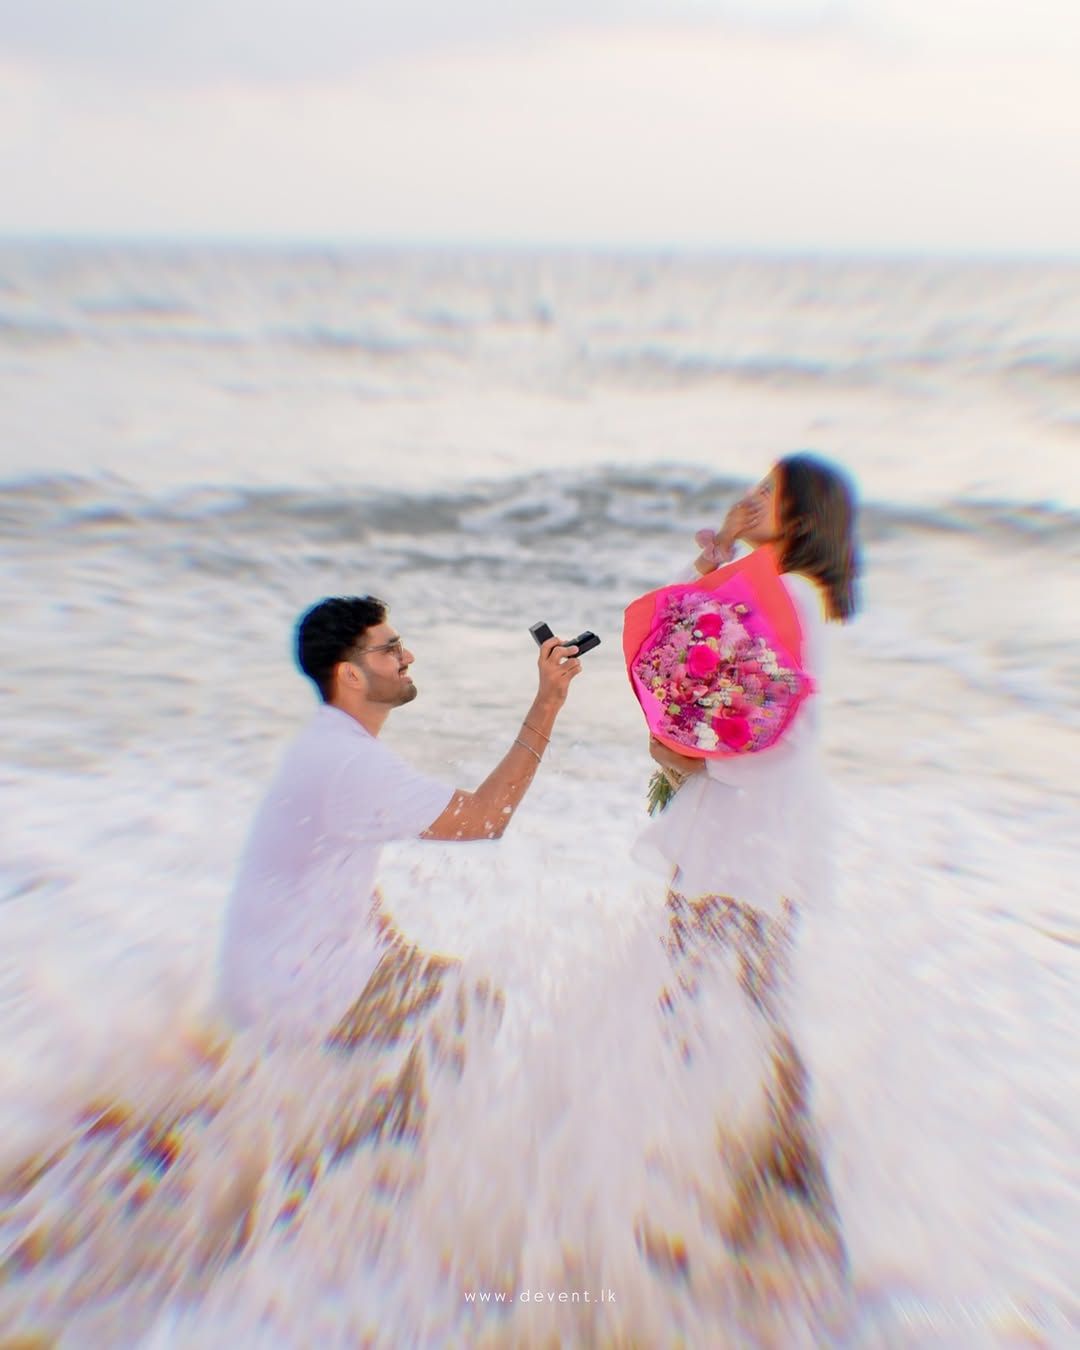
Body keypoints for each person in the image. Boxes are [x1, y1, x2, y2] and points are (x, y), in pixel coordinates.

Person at [632, 452, 861, 1335]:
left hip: (753, 835)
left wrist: (699, 759)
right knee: (707, 1007)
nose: (751, 497)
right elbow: (701, 641)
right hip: (745, 829)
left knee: (720, 1010)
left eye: (768, 492)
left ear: (801, 517)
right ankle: (752, 1206)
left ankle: (787, 1213)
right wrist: (720, 547)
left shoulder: (797, 596)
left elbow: (786, 726)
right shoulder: (782, 588)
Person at [216, 594, 582, 1045]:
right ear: (350, 674)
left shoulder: (326, 744)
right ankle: (394, 1118)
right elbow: (489, 818)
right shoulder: (352, 762)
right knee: (468, 1003)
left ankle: (368, 1106)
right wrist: (548, 701)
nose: (407, 657)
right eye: (390, 650)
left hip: (265, 977)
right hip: (295, 991)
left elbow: (342, 873)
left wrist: (403, 955)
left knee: (444, 987)